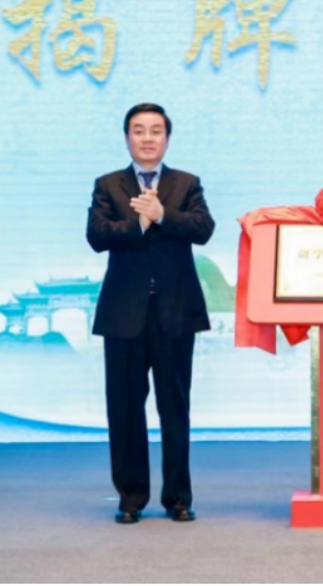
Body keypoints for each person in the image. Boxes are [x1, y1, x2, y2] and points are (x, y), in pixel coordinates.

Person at [87, 103, 215, 524]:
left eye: (155, 130)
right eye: (139, 130)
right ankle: (131, 498)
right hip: (124, 314)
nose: (147, 138)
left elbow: (203, 229)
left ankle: (178, 497)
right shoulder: (108, 185)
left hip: (175, 313)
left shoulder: (186, 183)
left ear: (167, 138)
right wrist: (138, 225)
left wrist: (163, 216)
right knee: (124, 409)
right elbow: (97, 236)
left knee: (174, 407)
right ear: (127, 138)